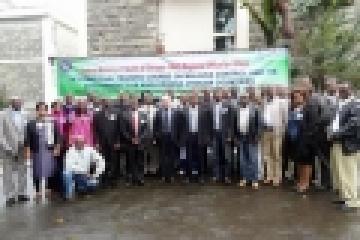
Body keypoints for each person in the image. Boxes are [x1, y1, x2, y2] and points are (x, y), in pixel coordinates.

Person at [329, 83, 360, 208]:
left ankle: (352, 201)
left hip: (347, 144)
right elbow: (335, 121)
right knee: (340, 172)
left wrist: (336, 134)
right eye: (339, 90)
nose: (340, 92)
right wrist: (330, 131)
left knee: (349, 172)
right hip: (338, 142)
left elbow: (354, 125)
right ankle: (345, 196)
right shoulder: (341, 104)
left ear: (350, 91)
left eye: (343, 90)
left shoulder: (355, 104)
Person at [24, 102, 61, 200]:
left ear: (46, 111)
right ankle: (37, 190)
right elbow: (27, 139)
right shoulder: (31, 124)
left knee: (50, 168)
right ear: (37, 111)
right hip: (37, 150)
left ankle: (48, 187)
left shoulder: (52, 122)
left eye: (44, 109)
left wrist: (57, 147)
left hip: (49, 149)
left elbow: (57, 136)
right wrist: (28, 150)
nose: (42, 112)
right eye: (40, 109)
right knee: (36, 170)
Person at [0, 97, 29, 206]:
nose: (18, 103)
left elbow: (27, 131)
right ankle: (10, 196)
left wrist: (27, 145)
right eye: (15, 102)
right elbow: (1, 134)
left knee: (23, 170)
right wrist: (7, 147)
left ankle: (21, 193)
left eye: (19, 102)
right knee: (8, 173)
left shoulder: (25, 114)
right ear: (11, 103)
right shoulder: (2, 114)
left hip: (22, 148)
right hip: (8, 149)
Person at [63, 135, 105, 200]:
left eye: (82, 142)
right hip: (75, 174)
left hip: (86, 175)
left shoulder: (90, 149)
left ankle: (81, 190)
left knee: (94, 183)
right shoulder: (70, 151)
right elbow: (69, 166)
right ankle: (69, 195)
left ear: (84, 142)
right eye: (78, 142)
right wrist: (84, 171)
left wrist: (96, 174)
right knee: (66, 173)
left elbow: (101, 160)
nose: (80, 144)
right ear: (75, 143)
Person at [261, 86, 288, 186]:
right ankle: (269, 176)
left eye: (272, 91)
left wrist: (283, 132)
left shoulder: (281, 102)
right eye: (268, 91)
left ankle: (277, 177)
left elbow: (285, 119)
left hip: (277, 132)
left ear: (275, 92)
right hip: (266, 131)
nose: (270, 92)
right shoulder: (264, 102)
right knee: (267, 155)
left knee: (276, 155)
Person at [235, 93, 263, 189]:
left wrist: (257, 136)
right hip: (241, 137)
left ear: (248, 99)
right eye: (242, 98)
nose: (243, 100)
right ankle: (244, 178)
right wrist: (236, 137)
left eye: (245, 98)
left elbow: (259, 124)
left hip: (252, 137)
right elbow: (234, 124)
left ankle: (254, 180)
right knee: (243, 160)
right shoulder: (237, 110)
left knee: (253, 159)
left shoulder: (255, 109)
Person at [93, 99, 120, 186]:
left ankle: (113, 179)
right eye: (105, 103)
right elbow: (95, 131)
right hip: (102, 143)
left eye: (108, 102)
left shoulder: (115, 114)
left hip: (113, 142)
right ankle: (104, 179)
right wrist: (97, 142)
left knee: (114, 161)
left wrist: (117, 141)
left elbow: (119, 129)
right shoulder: (97, 115)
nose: (107, 104)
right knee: (103, 161)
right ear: (102, 104)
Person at [155, 95, 178, 183]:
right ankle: (163, 175)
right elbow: (156, 126)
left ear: (170, 102)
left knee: (172, 157)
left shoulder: (175, 112)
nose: (165, 103)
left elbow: (178, 126)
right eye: (164, 101)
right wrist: (156, 136)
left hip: (172, 137)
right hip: (162, 137)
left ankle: (171, 175)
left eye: (167, 101)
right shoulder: (159, 112)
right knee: (162, 157)